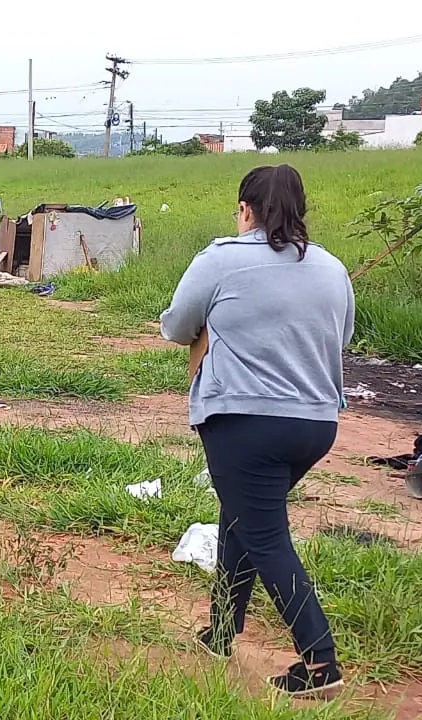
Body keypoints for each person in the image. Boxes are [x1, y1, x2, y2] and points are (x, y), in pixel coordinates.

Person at [160, 164, 355, 699]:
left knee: (265, 535)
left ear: (244, 209)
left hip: (245, 422)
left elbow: (177, 326)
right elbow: (344, 335)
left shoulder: (222, 257)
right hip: (316, 425)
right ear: (301, 210)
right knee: (241, 519)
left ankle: (320, 663)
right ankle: (222, 630)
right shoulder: (331, 267)